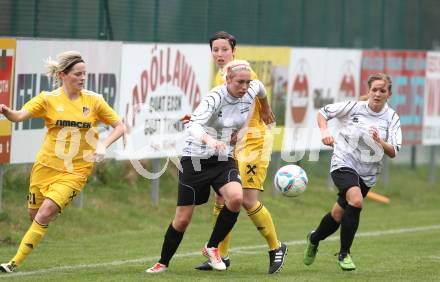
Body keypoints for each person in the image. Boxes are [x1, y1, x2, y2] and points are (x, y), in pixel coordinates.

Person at [0, 51, 125, 273]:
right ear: (63, 75)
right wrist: (8, 112)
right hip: (45, 167)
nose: (82, 78)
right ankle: (42, 221)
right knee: (35, 214)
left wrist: (103, 144)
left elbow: (120, 126)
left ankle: (12, 263)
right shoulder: (47, 99)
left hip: (76, 171)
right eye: (78, 74)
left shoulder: (94, 101)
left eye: (85, 74)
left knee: (46, 212)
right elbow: (19, 116)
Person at [146, 60, 274, 273]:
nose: (244, 87)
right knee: (183, 219)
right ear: (228, 80)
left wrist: (265, 109)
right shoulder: (215, 97)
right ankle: (163, 262)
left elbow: (260, 90)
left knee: (236, 198)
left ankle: (212, 247)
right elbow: (194, 125)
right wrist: (211, 141)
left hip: (222, 159)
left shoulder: (251, 89)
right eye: (239, 82)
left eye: (247, 82)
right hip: (195, 158)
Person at [184, 31, 287, 274]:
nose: (219, 54)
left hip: (252, 141)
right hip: (230, 143)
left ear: (234, 51)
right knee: (223, 198)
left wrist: (264, 111)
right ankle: (221, 255)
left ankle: (276, 247)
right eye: (215, 50)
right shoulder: (221, 78)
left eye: (224, 49)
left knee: (248, 200)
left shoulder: (243, 73)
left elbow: (256, 92)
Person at [303, 73, 402, 271]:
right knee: (356, 201)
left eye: (382, 91)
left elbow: (393, 152)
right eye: (374, 90)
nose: (377, 94)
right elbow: (323, 113)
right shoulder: (354, 107)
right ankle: (344, 254)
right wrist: (325, 132)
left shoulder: (392, 117)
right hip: (343, 161)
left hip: (368, 173)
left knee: (338, 214)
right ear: (368, 91)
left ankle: (314, 239)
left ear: (388, 94)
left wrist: (380, 142)